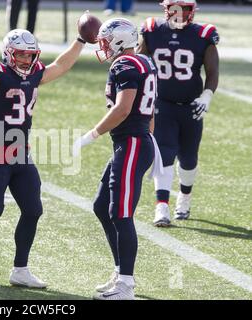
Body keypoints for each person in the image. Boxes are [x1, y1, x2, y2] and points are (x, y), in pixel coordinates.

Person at [0, 23, 87, 290]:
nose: (27, 59)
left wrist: (81, 40)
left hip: (22, 155)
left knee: (33, 210)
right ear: (8, 54)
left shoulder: (35, 72)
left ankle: (20, 269)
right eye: (21, 54)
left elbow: (61, 65)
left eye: (30, 54)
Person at [73, 18, 160, 300]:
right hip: (134, 143)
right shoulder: (144, 62)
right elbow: (150, 113)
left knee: (121, 213)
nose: (102, 45)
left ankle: (126, 285)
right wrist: (151, 142)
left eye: (106, 40)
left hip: (132, 143)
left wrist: (92, 135)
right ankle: (121, 270)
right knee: (102, 206)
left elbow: (123, 109)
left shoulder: (125, 65)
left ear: (119, 41)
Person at [137, 0, 219, 227]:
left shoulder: (203, 35)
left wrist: (206, 96)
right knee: (164, 153)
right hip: (162, 104)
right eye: (175, 7)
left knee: (189, 158)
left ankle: (185, 195)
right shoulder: (152, 30)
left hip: (192, 105)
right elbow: (140, 64)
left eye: (184, 8)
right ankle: (161, 206)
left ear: (192, 10)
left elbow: (212, 71)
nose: (179, 13)